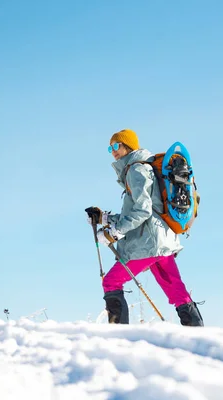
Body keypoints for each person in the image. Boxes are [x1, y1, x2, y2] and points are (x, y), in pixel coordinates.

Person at [86, 129, 203, 326]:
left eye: (117, 146)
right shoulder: (142, 168)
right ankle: (198, 335)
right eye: (110, 147)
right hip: (161, 241)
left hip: (147, 244)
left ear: (128, 146)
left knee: (111, 282)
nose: (113, 151)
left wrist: (115, 233)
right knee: (177, 290)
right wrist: (105, 218)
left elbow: (142, 212)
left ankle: (118, 337)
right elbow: (146, 211)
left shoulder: (136, 170)